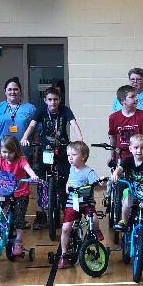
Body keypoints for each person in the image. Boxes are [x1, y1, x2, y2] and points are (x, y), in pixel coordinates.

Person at [22, 87, 83, 230]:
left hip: (62, 147)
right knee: (42, 179)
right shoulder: (41, 110)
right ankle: (41, 212)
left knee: (65, 176)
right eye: (49, 99)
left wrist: (79, 139)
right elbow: (32, 125)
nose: (53, 102)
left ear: (59, 100)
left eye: (55, 99)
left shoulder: (65, 110)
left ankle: (66, 208)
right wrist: (25, 137)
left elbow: (74, 124)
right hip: (47, 148)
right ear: (45, 100)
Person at [58, 141, 102, 268]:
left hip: (86, 203)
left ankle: (96, 231)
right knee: (66, 228)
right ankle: (64, 254)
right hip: (72, 203)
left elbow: (97, 182)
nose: (70, 158)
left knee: (93, 219)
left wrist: (101, 181)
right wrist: (67, 186)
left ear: (83, 156)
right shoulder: (71, 169)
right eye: (68, 155)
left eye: (73, 154)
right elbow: (69, 180)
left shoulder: (89, 171)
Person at [111, 135, 143, 230]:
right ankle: (124, 221)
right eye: (136, 148)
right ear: (130, 149)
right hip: (132, 190)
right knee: (126, 204)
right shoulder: (128, 161)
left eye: (142, 148)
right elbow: (120, 168)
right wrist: (116, 173)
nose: (139, 151)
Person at [0, 77, 37, 161]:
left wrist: (36, 151)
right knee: (3, 175)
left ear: (20, 91)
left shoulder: (30, 108)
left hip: (24, 155)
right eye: (9, 89)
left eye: (15, 89)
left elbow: (36, 131)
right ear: (5, 91)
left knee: (23, 175)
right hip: (2, 155)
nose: (12, 92)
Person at [108, 85, 143, 160]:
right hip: (122, 158)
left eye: (136, 96)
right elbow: (113, 137)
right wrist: (112, 156)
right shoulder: (113, 117)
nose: (136, 99)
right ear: (123, 100)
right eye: (132, 97)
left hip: (140, 159)